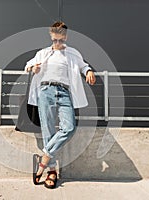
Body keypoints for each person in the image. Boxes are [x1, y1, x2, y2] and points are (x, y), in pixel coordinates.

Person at [25, 21, 96, 189]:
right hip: (45, 91)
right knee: (48, 131)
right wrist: (33, 68)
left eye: (61, 40)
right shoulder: (43, 53)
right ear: (51, 36)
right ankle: (51, 172)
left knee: (69, 127)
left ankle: (44, 159)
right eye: (55, 40)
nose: (58, 43)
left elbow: (83, 66)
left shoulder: (73, 53)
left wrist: (89, 71)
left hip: (64, 93)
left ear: (66, 37)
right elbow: (28, 65)